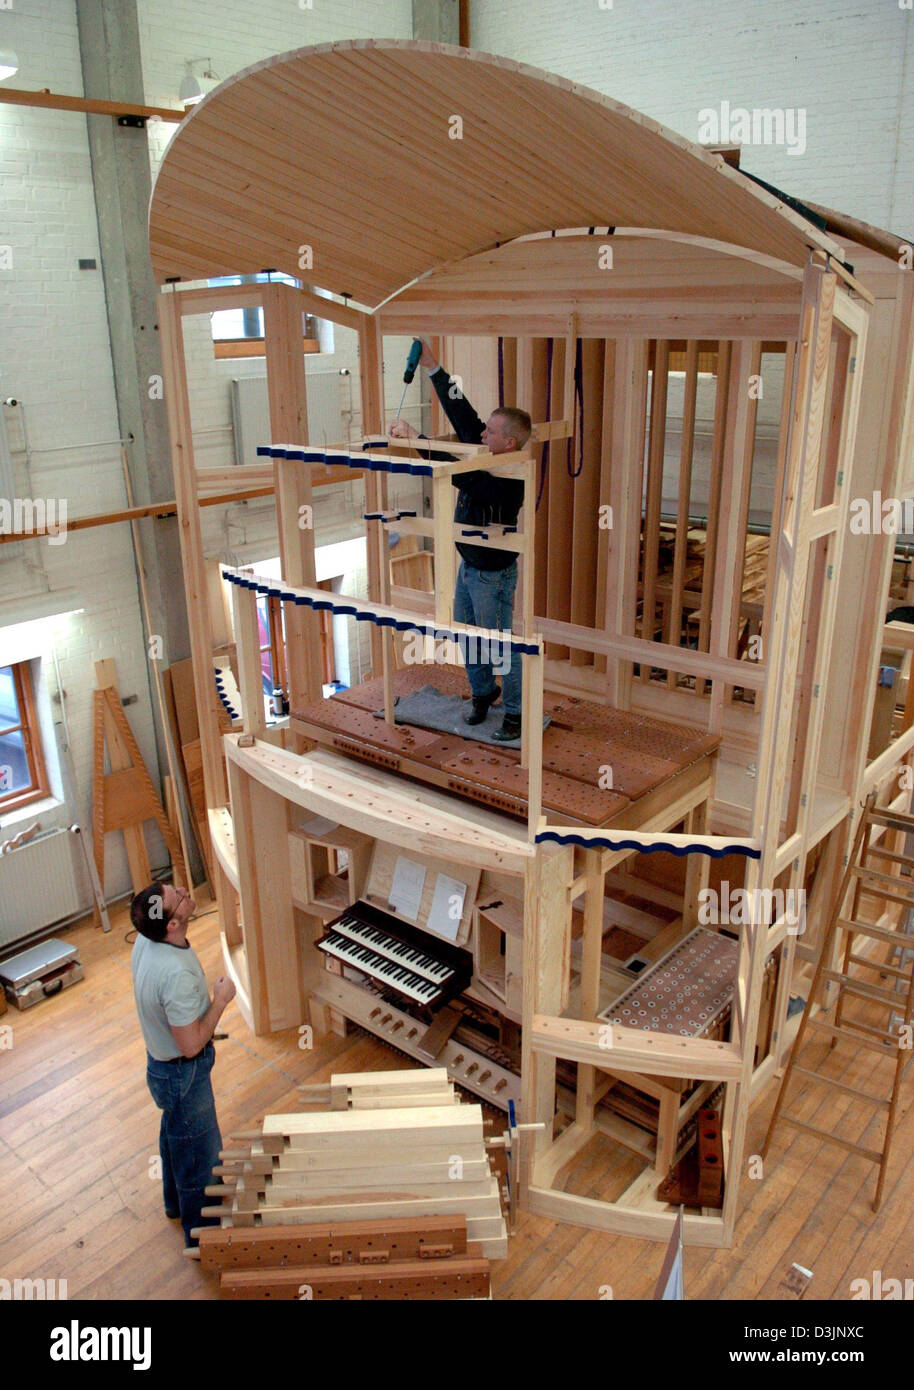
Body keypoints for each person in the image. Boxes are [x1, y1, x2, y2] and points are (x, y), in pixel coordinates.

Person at [389, 340, 531, 742]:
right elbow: (462, 411)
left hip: (493, 576)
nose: (480, 433)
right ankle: (483, 694)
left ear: (508, 443)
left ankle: (516, 715)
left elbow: (464, 477)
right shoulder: (487, 448)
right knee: (468, 636)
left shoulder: (511, 477)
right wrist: (434, 367)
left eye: (490, 431)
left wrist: (418, 438)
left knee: (499, 645)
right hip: (470, 566)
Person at [130, 880, 235, 1248]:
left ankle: (174, 1204)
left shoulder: (147, 940)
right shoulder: (173, 975)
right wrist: (220, 1000)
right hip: (182, 1072)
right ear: (171, 924)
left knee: (175, 1134)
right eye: (179, 897)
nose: (185, 893)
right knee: (201, 1157)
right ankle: (201, 1239)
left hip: (160, 1065)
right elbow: (191, 1045)